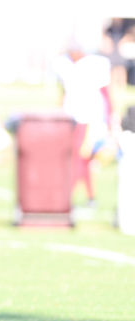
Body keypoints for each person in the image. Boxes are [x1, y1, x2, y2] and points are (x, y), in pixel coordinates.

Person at [54, 41, 113, 206]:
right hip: (72, 118)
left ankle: (70, 195)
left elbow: (105, 93)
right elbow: (65, 93)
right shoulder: (67, 66)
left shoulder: (94, 65)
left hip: (87, 119)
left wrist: (109, 119)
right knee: (80, 158)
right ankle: (89, 197)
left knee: (80, 156)